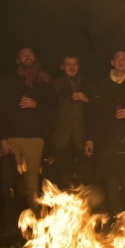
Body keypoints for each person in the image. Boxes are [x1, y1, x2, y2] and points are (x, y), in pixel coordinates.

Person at [85, 50, 125, 214]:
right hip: (108, 145)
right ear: (112, 62)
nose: (121, 61)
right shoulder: (101, 86)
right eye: (117, 58)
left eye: (124, 59)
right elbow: (93, 116)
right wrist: (90, 140)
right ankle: (116, 224)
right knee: (112, 186)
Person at [0, 47, 56, 209]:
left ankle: (32, 222)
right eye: (23, 54)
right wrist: (1, 138)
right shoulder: (8, 81)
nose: (27, 56)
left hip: (34, 139)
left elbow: (53, 110)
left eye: (30, 54)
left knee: (31, 184)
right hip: (11, 139)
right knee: (10, 184)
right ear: (17, 60)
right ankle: (12, 224)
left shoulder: (44, 82)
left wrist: (36, 105)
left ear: (35, 58)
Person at [49, 54, 90, 188]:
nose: (72, 67)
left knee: (84, 178)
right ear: (62, 67)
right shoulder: (54, 84)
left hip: (81, 138)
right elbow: (48, 109)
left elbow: (96, 109)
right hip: (61, 138)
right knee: (62, 177)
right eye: (68, 64)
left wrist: (86, 99)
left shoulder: (86, 83)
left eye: (75, 64)